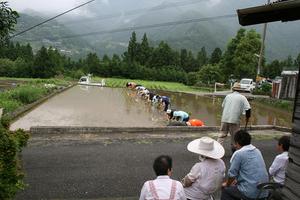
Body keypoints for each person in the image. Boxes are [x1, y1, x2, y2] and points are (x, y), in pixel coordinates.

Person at [221, 130, 269, 200]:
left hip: (250, 193)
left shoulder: (239, 153)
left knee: (226, 190)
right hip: (264, 191)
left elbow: (232, 174)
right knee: (235, 187)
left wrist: (227, 184)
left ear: (237, 142)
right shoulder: (257, 150)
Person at [217, 82, 251, 152]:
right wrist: (247, 118)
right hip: (235, 120)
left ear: (233, 89)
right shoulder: (242, 97)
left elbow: (223, 106)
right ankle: (234, 151)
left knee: (222, 135)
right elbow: (248, 109)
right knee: (235, 137)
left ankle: (217, 151)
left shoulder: (228, 96)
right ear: (240, 90)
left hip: (224, 119)